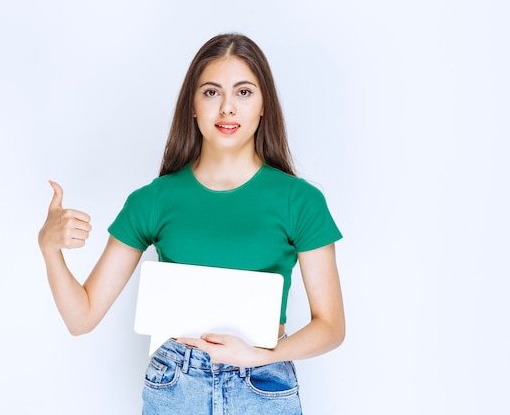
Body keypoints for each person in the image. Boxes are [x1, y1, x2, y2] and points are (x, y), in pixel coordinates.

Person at [38, 33, 345, 415]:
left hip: (263, 384)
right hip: (175, 387)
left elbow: (331, 326)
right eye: (212, 93)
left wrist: (261, 355)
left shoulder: (300, 201)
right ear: (193, 107)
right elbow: (81, 317)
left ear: (264, 105)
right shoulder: (153, 200)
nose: (227, 108)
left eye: (244, 92)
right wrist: (50, 250)